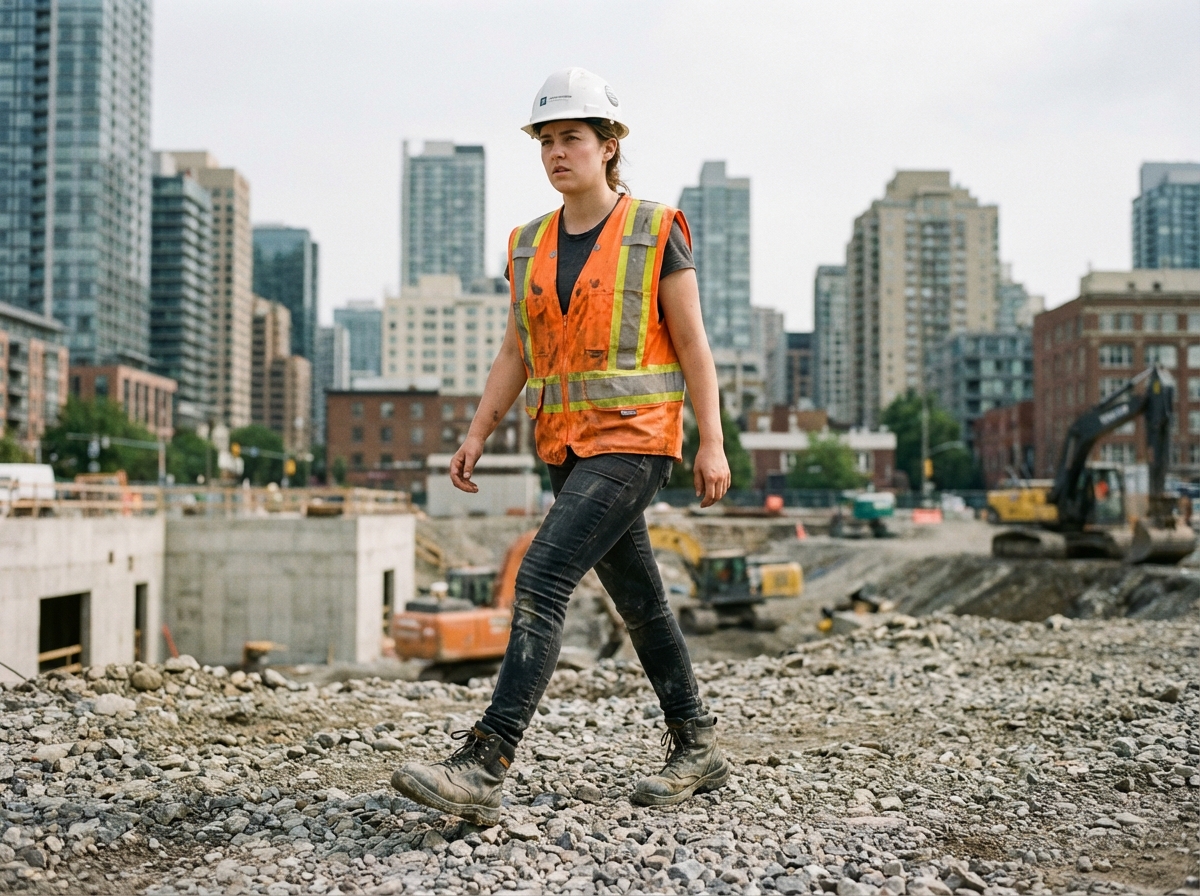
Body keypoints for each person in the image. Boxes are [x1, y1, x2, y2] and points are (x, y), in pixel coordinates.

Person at [391, 68, 731, 826]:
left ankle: (486, 760)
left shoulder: (654, 229)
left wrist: (712, 443)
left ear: (609, 147)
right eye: (546, 140)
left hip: (637, 444)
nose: (556, 151)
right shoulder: (528, 244)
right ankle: (697, 744)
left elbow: (694, 344)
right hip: (565, 449)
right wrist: (477, 432)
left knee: (542, 576)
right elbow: (515, 352)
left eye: (571, 137)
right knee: (641, 602)